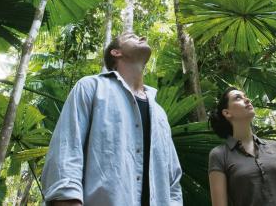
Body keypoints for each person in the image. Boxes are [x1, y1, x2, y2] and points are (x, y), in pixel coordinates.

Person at [41, 32, 183, 206]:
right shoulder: (91, 88)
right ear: (116, 52)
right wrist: (67, 199)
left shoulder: (160, 113)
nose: (142, 37)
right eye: (132, 36)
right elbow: (67, 148)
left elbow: (173, 178)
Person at [208, 87, 276, 206]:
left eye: (246, 96)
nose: (247, 100)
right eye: (238, 98)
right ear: (227, 113)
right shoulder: (220, 155)